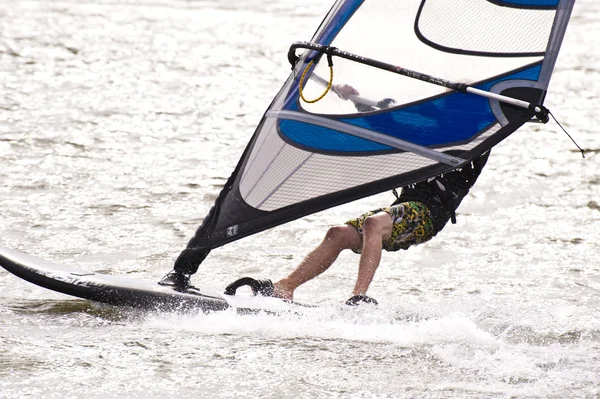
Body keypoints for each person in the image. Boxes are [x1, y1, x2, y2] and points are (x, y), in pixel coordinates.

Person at [225, 149, 490, 305]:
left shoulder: (476, 144)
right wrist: (352, 98)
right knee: (338, 234)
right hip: (404, 207)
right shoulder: (429, 132)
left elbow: (488, 125)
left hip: (429, 215)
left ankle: (358, 298)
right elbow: (389, 116)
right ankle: (285, 287)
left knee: (374, 224)